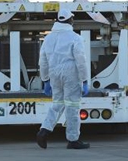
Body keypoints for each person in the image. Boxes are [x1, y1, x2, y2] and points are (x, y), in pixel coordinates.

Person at [36, 9, 90, 150]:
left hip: (54, 74)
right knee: (72, 106)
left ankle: (44, 130)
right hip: (71, 74)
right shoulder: (75, 38)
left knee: (57, 103)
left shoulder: (48, 38)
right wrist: (84, 80)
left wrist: (45, 79)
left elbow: (43, 61)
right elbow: (81, 61)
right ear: (70, 20)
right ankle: (73, 140)